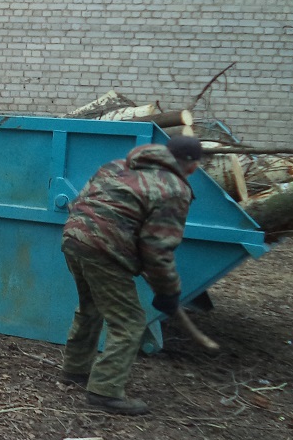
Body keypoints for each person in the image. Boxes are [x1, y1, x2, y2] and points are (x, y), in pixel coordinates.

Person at [59, 136, 207, 415]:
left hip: (74, 237)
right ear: (190, 164)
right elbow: (158, 247)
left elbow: (83, 199)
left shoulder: (117, 165)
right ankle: (105, 392)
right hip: (105, 249)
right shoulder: (174, 188)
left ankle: (76, 370)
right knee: (129, 321)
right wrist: (168, 291)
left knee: (90, 307)